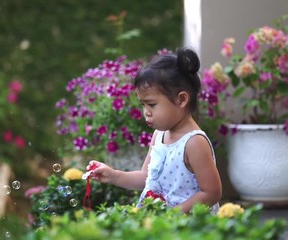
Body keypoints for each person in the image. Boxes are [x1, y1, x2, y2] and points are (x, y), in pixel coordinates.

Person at [87, 47, 222, 214]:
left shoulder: (194, 142)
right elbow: (146, 178)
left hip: (188, 227)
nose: (146, 112)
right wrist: (114, 175)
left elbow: (212, 192)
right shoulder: (159, 135)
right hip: (158, 224)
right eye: (142, 105)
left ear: (181, 100)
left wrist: (172, 215)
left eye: (151, 104)